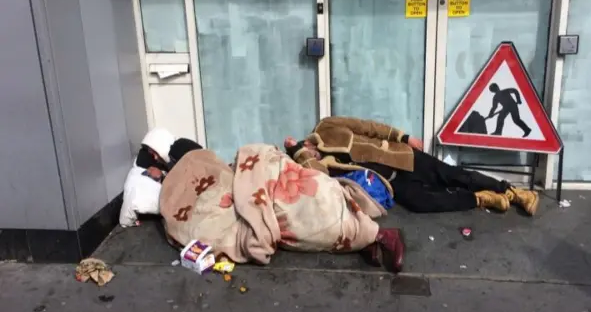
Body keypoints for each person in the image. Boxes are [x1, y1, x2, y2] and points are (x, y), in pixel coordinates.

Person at [159, 143, 406, 273]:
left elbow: (245, 165)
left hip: (274, 180)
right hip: (257, 194)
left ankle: (382, 236)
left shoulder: (204, 162)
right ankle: (366, 237)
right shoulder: (184, 176)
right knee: (305, 221)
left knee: (311, 200)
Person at [284, 116, 539, 216]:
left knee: (453, 175)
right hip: (392, 184)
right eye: (301, 154)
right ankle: (481, 199)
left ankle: (515, 192)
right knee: (423, 204)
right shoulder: (319, 166)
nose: (307, 153)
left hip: (402, 157)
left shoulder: (326, 126)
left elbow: (368, 128)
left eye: (304, 148)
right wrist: (299, 154)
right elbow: (318, 179)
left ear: (307, 139)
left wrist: (402, 137)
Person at [135, 127, 204, 182]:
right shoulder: (168, 160)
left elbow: (183, 183)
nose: (155, 158)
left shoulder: (180, 151)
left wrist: (162, 178)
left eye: (155, 153)